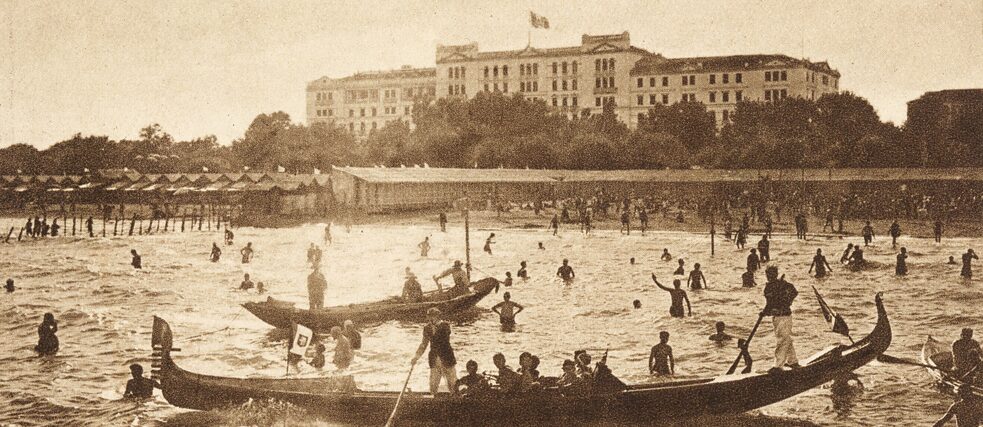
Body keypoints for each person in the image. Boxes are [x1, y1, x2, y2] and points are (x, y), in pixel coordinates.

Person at [412, 308, 457, 395]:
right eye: (429, 317)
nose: (430, 319)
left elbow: (445, 336)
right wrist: (416, 357)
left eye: (432, 316)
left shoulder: (445, 325)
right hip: (434, 360)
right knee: (433, 386)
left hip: (447, 359)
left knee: (453, 385)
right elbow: (423, 344)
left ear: (437, 316)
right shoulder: (427, 328)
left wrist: (435, 329)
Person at [762, 266, 799, 369]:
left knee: (782, 340)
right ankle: (792, 361)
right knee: (785, 338)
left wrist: (786, 301)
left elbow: (794, 292)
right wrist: (765, 312)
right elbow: (769, 303)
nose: (769, 277)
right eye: (768, 275)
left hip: (784, 316)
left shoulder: (782, 285)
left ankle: (778, 366)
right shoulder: (771, 286)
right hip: (778, 317)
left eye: (771, 274)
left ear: (775, 274)